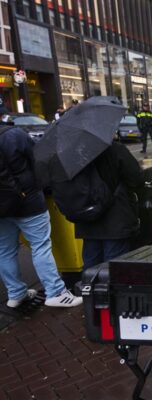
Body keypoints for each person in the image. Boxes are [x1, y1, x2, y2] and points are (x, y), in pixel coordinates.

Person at [0, 107, 82, 308]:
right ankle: (56, 292)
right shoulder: (15, 135)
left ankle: (16, 293)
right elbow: (38, 159)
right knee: (41, 246)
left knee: (5, 251)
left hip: (1, 208)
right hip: (28, 202)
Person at [76, 134, 144, 269]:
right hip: (115, 218)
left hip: (87, 218)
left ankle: (90, 289)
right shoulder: (115, 149)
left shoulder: (76, 152)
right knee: (115, 268)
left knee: (91, 267)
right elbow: (136, 179)